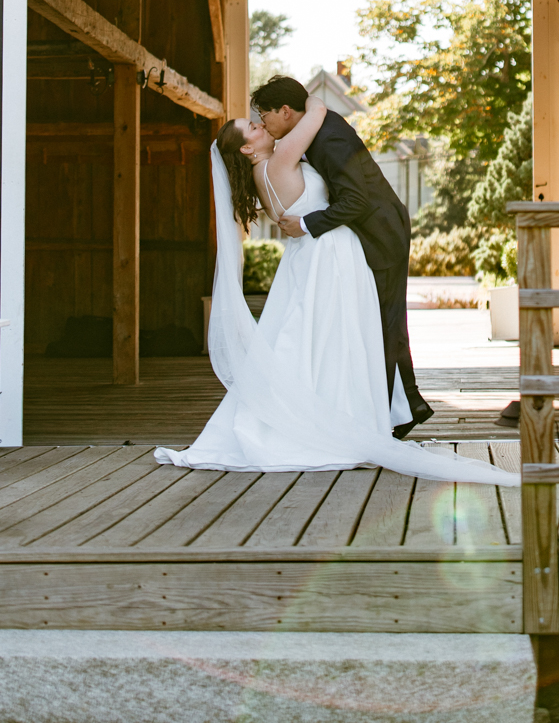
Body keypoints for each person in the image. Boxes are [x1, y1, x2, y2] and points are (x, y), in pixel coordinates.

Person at [153, 94, 507, 487]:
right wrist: (298, 101)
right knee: (335, 340)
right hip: (330, 257)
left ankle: (320, 416)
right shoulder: (282, 158)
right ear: (248, 148)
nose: (260, 125)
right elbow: (318, 109)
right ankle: (340, 420)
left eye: (258, 119)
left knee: (310, 341)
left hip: (308, 258)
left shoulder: (263, 173)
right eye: (252, 127)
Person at [253, 74, 431, 438]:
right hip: (369, 231)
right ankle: (401, 409)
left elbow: (356, 200)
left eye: (264, 114)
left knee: (385, 325)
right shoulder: (316, 127)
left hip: (381, 234)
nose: (263, 122)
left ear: (285, 111)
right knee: (377, 325)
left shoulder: (329, 137)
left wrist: (306, 224)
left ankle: (396, 414)